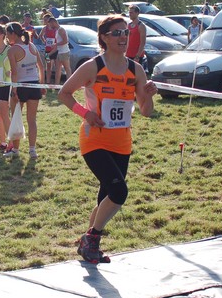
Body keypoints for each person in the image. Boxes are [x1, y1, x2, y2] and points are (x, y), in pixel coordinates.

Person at [58, 15, 157, 263]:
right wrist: (86, 114)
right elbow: (64, 93)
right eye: (117, 33)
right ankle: (92, 237)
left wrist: (148, 95)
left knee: (106, 198)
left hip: (122, 141)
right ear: (104, 37)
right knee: (119, 191)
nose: (123, 37)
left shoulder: (135, 69)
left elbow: (146, 111)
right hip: (95, 139)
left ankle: (88, 245)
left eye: (125, 33)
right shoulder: (93, 66)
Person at [5, 22, 46, 159]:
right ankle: (32, 150)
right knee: (31, 120)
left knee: (16, 118)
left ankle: (16, 150)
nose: (6, 36)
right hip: (34, 85)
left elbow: (14, 73)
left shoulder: (12, 50)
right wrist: (42, 84)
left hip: (20, 86)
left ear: (12, 34)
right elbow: (41, 67)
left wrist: (14, 89)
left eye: (6, 33)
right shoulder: (32, 46)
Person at [49, 17, 72, 86]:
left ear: (54, 22)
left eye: (50, 24)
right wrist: (50, 53)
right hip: (59, 52)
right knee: (58, 69)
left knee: (67, 68)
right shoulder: (57, 30)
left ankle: (69, 85)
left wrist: (56, 44)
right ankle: (57, 85)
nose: (50, 26)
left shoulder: (61, 30)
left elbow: (65, 41)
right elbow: (58, 45)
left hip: (64, 52)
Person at [126, 5, 148, 73]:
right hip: (127, 54)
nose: (130, 14)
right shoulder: (128, 25)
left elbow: (142, 43)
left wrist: (137, 56)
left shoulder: (141, 26)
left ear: (137, 13)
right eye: (129, 12)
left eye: (132, 13)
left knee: (135, 74)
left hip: (136, 56)